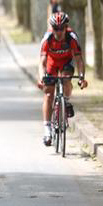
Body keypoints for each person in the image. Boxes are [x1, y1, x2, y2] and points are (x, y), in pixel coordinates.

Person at [37, 12, 88, 146]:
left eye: (61, 29)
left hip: (66, 62)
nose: (58, 32)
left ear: (66, 27)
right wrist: (41, 77)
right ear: (51, 28)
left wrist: (82, 77)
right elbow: (42, 61)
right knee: (48, 93)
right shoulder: (47, 38)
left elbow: (79, 60)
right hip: (51, 63)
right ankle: (47, 129)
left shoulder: (72, 38)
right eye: (55, 28)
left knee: (66, 80)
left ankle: (65, 101)